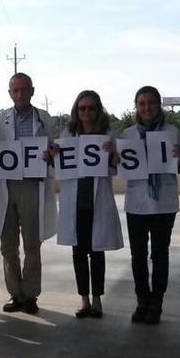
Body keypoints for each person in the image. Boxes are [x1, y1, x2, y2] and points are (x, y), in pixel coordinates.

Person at [0, 73, 57, 314]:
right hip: (7, 186)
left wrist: (51, 155)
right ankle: (15, 294)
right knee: (7, 244)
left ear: (32, 91)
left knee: (32, 244)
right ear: (9, 93)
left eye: (24, 89)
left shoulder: (45, 119)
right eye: (15, 90)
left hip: (31, 185)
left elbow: (54, 148)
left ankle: (30, 295)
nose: (20, 94)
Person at [120, 86, 180, 324]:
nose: (146, 107)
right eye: (141, 103)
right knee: (138, 255)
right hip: (137, 204)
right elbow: (121, 167)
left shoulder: (172, 132)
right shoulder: (127, 135)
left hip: (164, 204)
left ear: (158, 105)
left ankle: (157, 302)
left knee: (160, 255)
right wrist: (114, 156)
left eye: (151, 102)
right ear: (136, 106)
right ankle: (142, 300)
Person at [55, 90, 123, 318]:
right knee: (78, 253)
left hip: (97, 201)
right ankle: (84, 299)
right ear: (76, 110)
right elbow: (58, 165)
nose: (86, 112)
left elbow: (115, 169)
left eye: (91, 108)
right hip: (75, 202)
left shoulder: (108, 135)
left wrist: (114, 155)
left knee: (96, 252)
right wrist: (52, 155)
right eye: (82, 108)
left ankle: (97, 300)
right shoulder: (67, 134)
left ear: (98, 109)